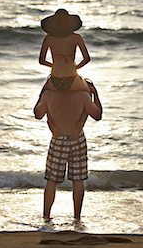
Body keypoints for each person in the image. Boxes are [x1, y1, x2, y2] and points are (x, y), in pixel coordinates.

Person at [34, 80, 102, 221]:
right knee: (78, 180)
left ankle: (46, 216)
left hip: (58, 139)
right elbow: (97, 115)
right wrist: (94, 93)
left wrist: (42, 92)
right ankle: (77, 218)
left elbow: (38, 114)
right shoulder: (83, 95)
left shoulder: (48, 94)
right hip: (77, 138)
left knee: (52, 180)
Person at [39, 8, 90, 92]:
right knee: (91, 91)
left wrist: (54, 66)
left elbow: (41, 61)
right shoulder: (77, 37)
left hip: (55, 77)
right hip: (72, 77)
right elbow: (86, 59)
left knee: (41, 97)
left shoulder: (48, 38)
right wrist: (75, 67)